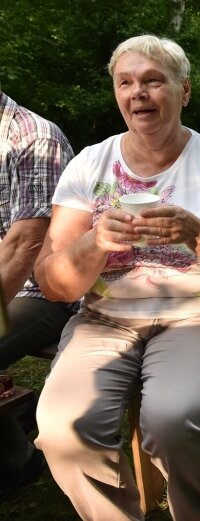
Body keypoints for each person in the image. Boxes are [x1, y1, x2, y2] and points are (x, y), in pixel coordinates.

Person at [32, 35, 200, 520]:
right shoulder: (89, 164)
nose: (138, 92)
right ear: (118, 95)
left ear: (184, 91)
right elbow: (53, 281)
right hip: (105, 318)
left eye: (153, 80)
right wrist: (96, 241)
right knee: (61, 426)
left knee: (174, 417)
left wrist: (196, 232)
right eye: (126, 83)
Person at [0, 88, 76, 498]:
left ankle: (19, 460)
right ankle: (18, 431)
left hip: (43, 291)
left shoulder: (33, 138)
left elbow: (25, 244)